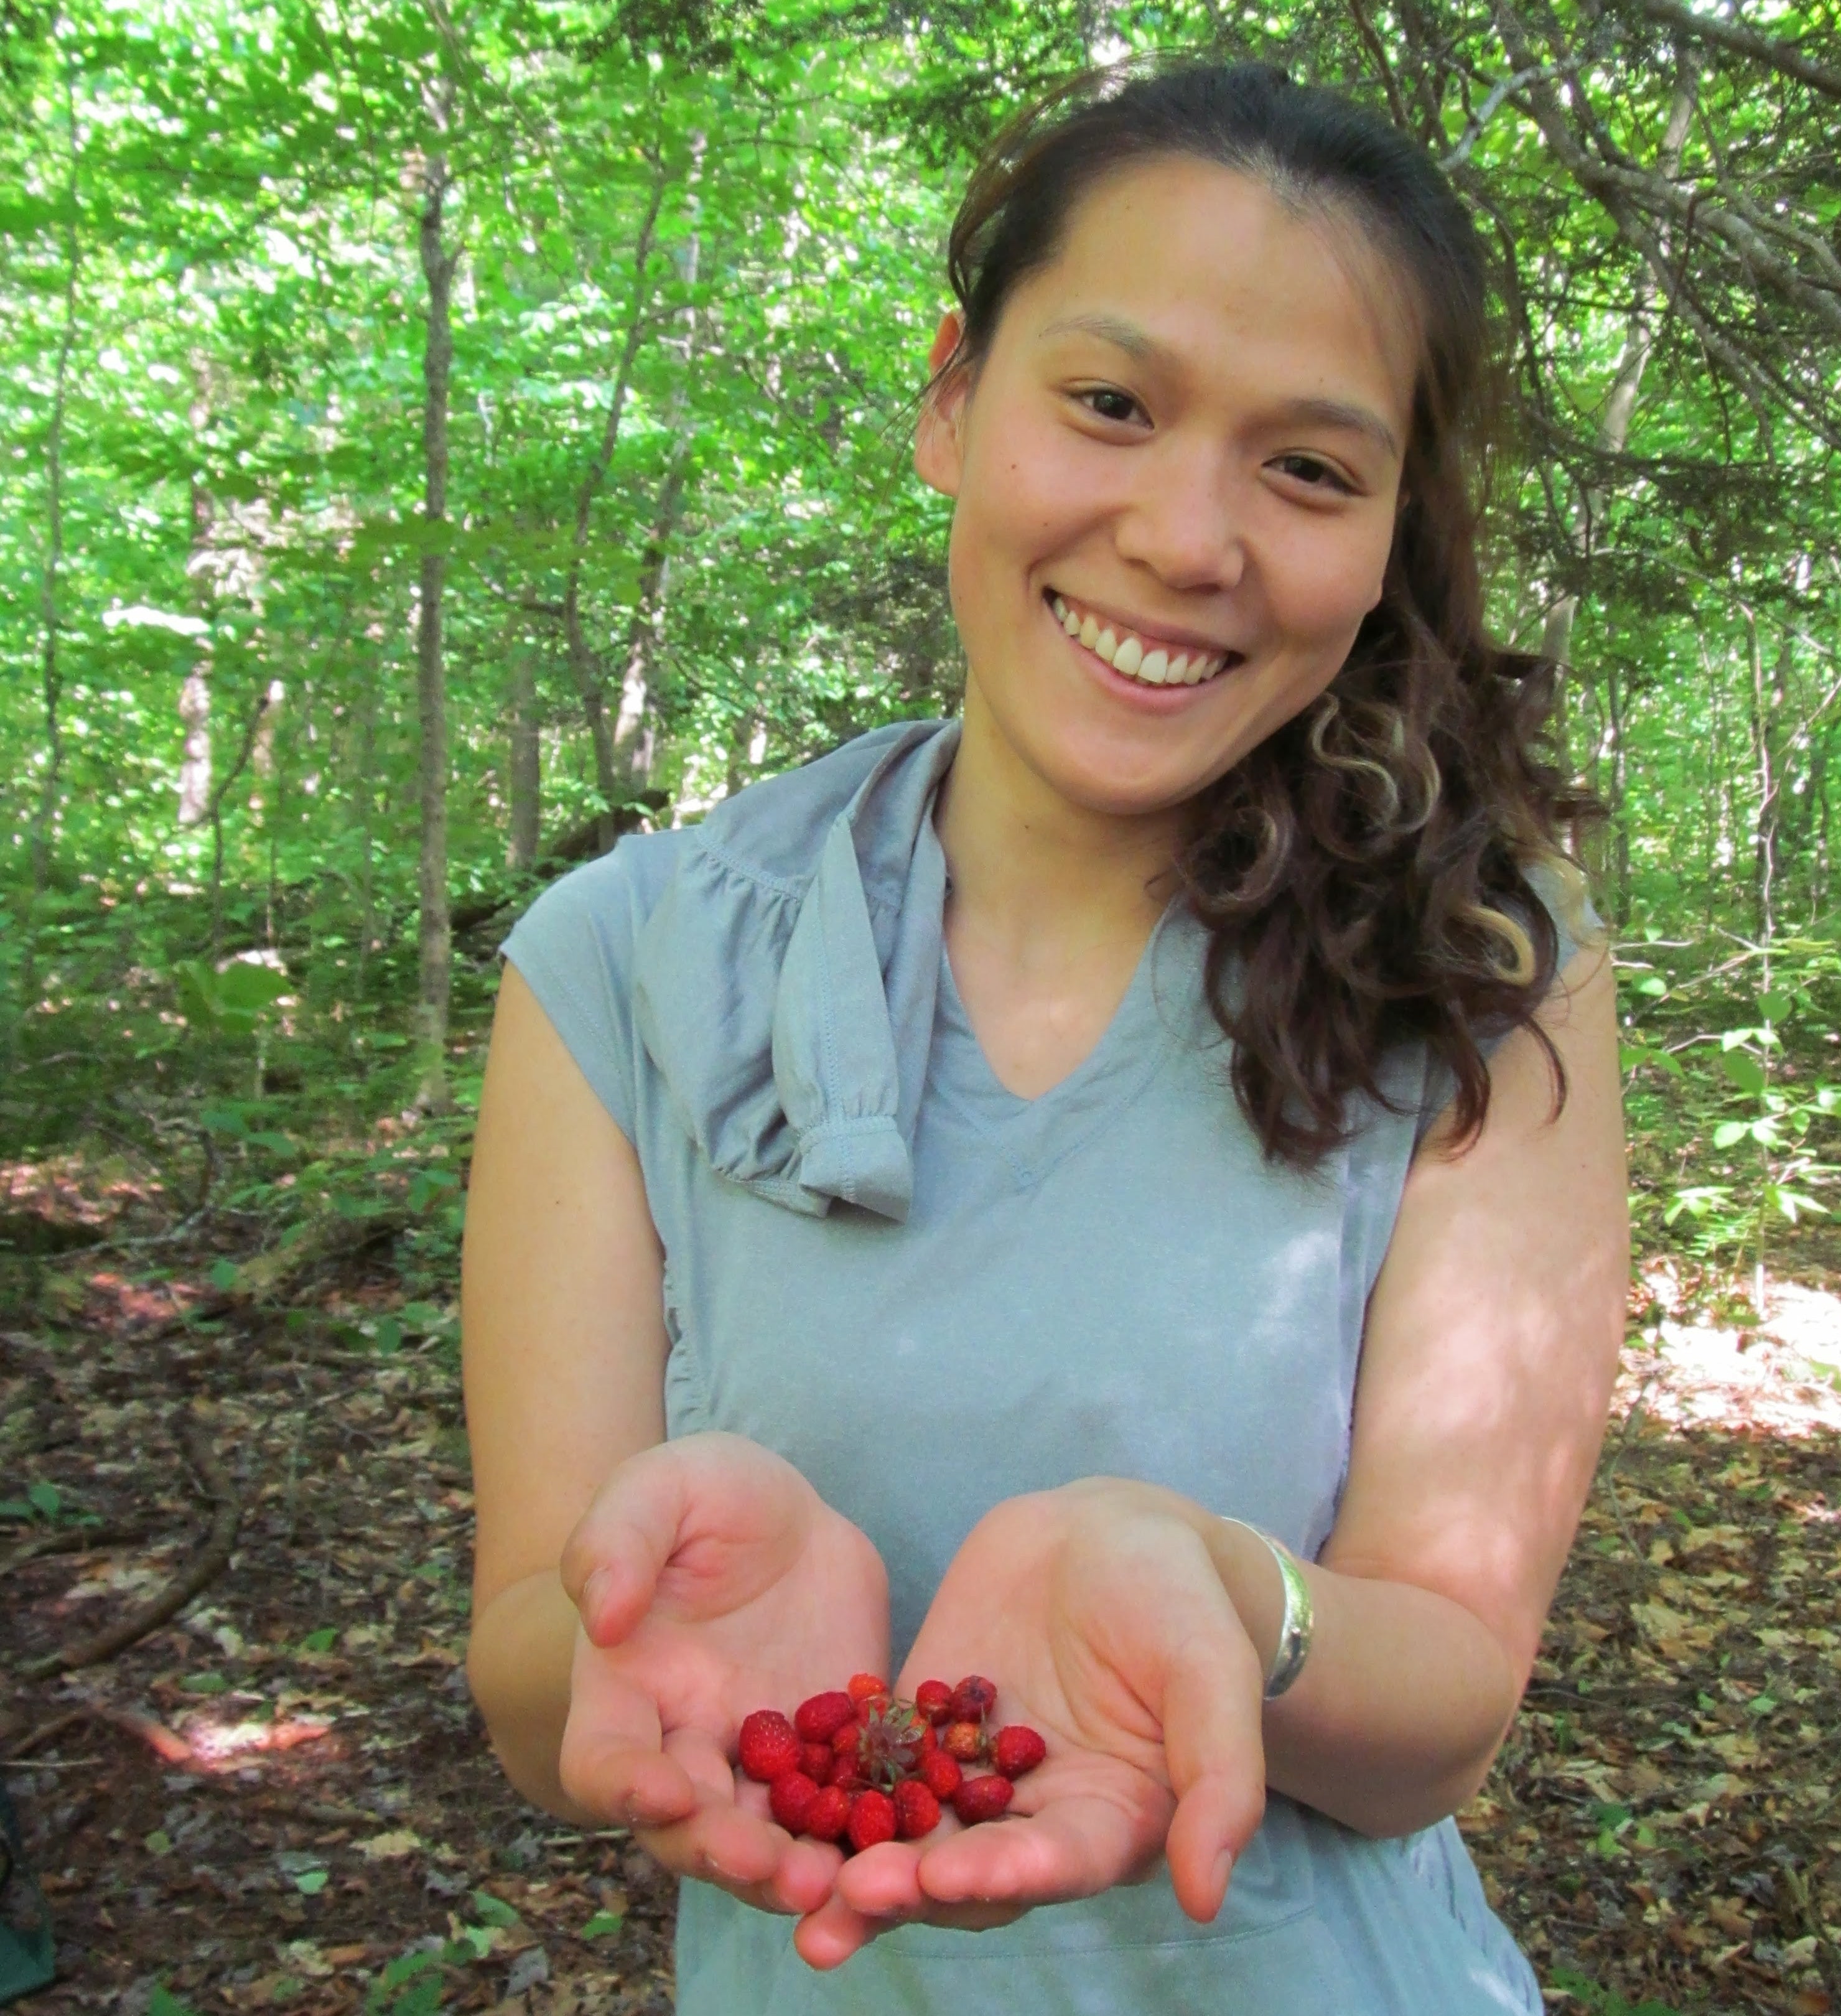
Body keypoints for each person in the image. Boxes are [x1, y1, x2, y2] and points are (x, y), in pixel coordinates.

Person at [461, 60, 1629, 2016]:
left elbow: (1443, 1710)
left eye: (1309, 468)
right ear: (951, 399)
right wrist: (629, 1611)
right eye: (1111, 403)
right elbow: (523, 1680)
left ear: (1386, 531)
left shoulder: (1485, 965)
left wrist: (1228, 1597)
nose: (1187, 536)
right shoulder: (626, 963)